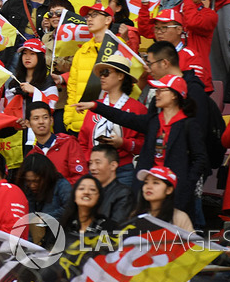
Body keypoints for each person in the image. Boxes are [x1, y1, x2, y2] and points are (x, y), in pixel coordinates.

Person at [78, 74, 207, 218]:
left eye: (161, 90)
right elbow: (124, 117)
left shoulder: (188, 124)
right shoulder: (153, 121)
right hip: (148, 186)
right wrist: (96, 106)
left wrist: (187, 184)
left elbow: (200, 158)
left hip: (176, 189)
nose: (156, 94)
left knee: (171, 233)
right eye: (156, 90)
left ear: (175, 95)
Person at [77, 55, 145, 184]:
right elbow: (83, 141)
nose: (102, 77)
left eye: (106, 72)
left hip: (124, 171)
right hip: (94, 171)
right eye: (101, 73)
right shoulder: (94, 106)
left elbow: (144, 144)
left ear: (121, 76)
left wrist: (123, 143)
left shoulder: (137, 108)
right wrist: (91, 161)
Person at [65, 2, 113, 133]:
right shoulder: (82, 51)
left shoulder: (118, 49)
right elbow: (73, 87)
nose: (89, 19)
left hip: (108, 123)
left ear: (108, 19)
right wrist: (69, 119)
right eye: (88, 16)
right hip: (80, 124)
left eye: (95, 15)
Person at [27, 101, 88, 185]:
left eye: (45, 117)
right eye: (36, 118)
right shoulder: (31, 156)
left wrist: (57, 190)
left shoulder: (69, 143)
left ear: (51, 120)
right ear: (28, 123)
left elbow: (80, 178)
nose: (41, 122)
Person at [132, 166, 194, 231]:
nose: (148, 187)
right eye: (146, 183)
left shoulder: (180, 217)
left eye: (155, 183)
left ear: (169, 190)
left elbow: (192, 240)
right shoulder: (136, 214)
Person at [89, 143, 134, 225]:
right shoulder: (88, 191)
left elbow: (116, 226)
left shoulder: (124, 194)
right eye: (91, 163)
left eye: (97, 162)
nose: (92, 168)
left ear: (113, 166)